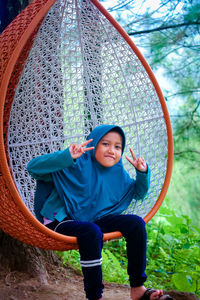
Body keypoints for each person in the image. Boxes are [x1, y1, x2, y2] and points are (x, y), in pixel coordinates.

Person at [27, 124, 172, 300]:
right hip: (61, 220)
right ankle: (94, 296)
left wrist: (142, 173)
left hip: (95, 220)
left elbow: (138, 193)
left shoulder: (117, 174)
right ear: (93, 144)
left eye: (117, 146)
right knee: (91, 231)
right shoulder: (73, 165)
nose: (112, 150)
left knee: (136, 223)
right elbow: (33, 167)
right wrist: (66, 157)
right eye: (105, 144)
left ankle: (138, 288)